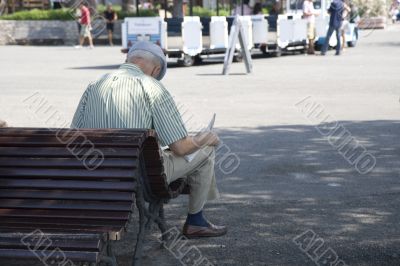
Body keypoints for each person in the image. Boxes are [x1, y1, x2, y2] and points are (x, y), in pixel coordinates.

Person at [71, 41, 227, 238]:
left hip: (96, 174)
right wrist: (204, 138)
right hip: (140, 179)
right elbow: (180, 147)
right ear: (156, 70)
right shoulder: (152, 87)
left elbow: (74, 136)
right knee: (206, 151)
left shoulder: (94, 85)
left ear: (128, 60)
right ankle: (196, 221)